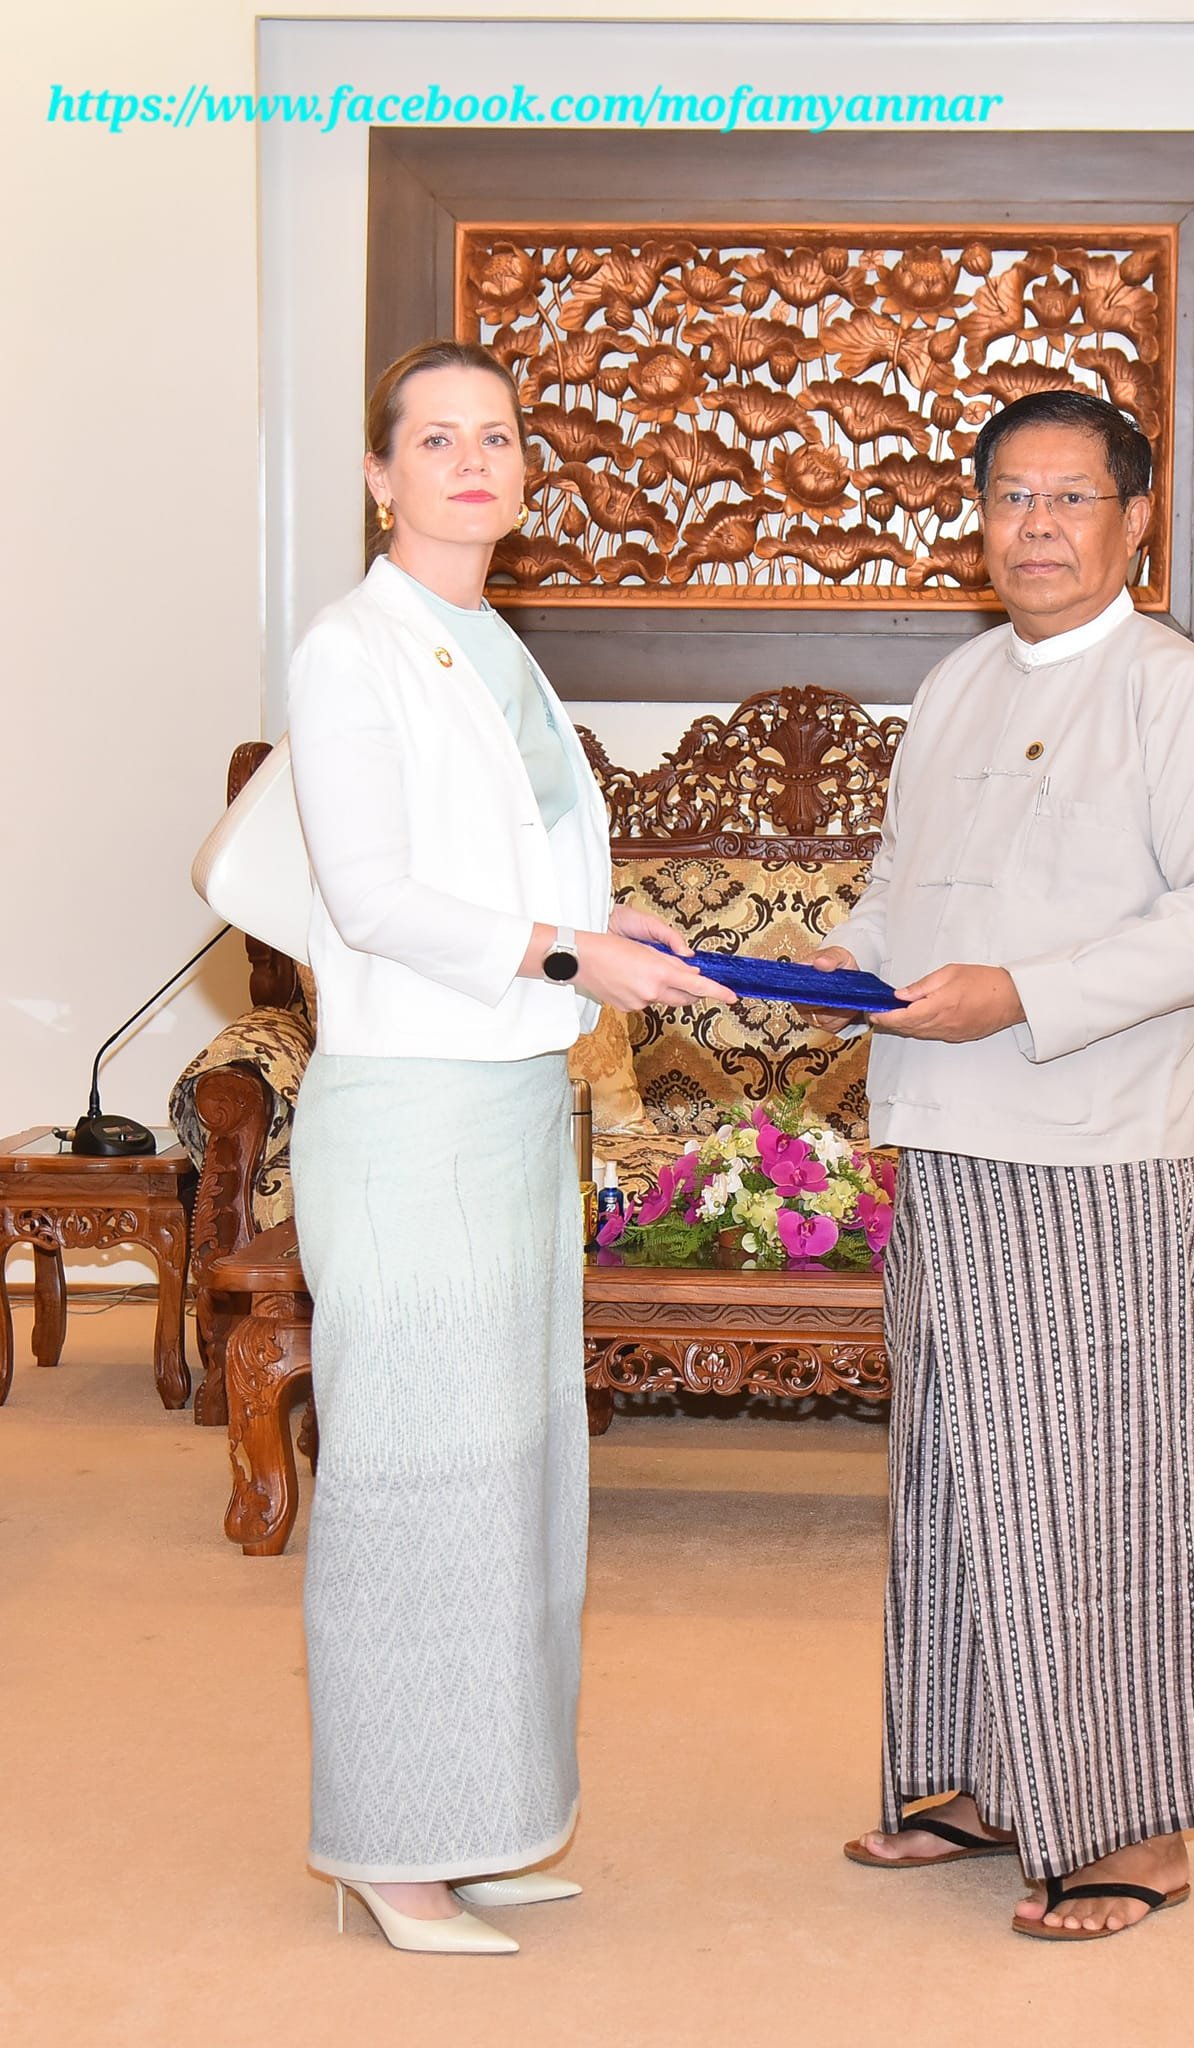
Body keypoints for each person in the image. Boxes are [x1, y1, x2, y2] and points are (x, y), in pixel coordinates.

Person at [812, 390, 1194, 1940]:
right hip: (936, 1126)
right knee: (950, 1465)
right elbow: (902, 896)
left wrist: (1022, 991)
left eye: (1070, 498)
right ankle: (983, 1776)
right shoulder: (953, 685)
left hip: (1082, 1137)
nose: (1035, 526)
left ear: (1134, 521)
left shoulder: (1181, 693)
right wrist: (832, 962)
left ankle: (1134, 1825)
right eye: (1011, 496)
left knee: (1091, 1479)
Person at [287, 338, 733, 1955]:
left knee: (515, 1474)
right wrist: (568, 952)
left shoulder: (487, 641)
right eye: (437, 438)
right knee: (414, 1478)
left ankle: (475, 1819)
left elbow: (496, 859)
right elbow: (376, 897)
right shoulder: (354, 648)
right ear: (380, 473)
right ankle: (389, 1849)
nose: (473, 461)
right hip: (408, 1114)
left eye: (500, 438)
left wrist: (600, 919)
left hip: (507, 1099)